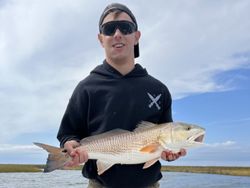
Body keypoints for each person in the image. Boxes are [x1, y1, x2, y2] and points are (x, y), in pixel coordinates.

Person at [57, 3, 186, 188]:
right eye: (109, 29)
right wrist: (70, 144)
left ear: (136, 36)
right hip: (99, 184)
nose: (118, 34)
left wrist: (169, 153)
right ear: (101, 39)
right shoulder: (86, 87)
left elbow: (165, 135)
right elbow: (68, 132)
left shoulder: (159, 90)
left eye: (126, 28)